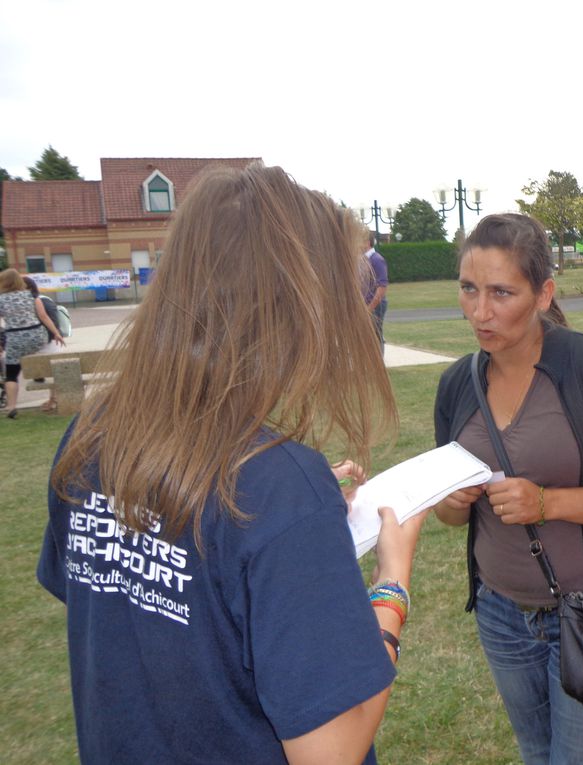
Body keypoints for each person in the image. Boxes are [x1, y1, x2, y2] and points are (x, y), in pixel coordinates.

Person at [37, 163, 427, 765]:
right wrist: (392, 583)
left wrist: (281, 521)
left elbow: (125, 606)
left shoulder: (92, 431)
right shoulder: (279, 488)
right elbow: (333, 749)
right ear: (300, 304)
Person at [432, 213, 583, 765]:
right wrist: (450, 503)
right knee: (536, 752)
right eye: (469, 289)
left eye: (501, 292)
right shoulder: (457, 385)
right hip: (499, 612)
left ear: (543, 294)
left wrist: (548, 503)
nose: (480, 311)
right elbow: (450, 515)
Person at [0, 268, 65, 418]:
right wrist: (56, 333)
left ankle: (11, 407)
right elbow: (43, 317)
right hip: (37, 336)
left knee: (11, 374)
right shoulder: (32, 296)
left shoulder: (1, 300)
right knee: (39, 352)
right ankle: (37, 373)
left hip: (15, 338)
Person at [22, 275, 64, 411]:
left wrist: (52, 336)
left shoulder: (39, 301)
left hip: (48, 342)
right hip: (49, 340)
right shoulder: (40, 300)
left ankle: (54, 399)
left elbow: (49, 319)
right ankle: (53, 398)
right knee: (52, 370)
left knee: (53, 371)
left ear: (27, 287)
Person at [362, 230, 388, 356]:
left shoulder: (377, 260)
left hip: (375, 305)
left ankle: (379, 363)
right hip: (366, 305)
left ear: (367, 242)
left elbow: (382, 287)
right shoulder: (363, 260)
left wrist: (370, 308)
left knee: (376, 334)